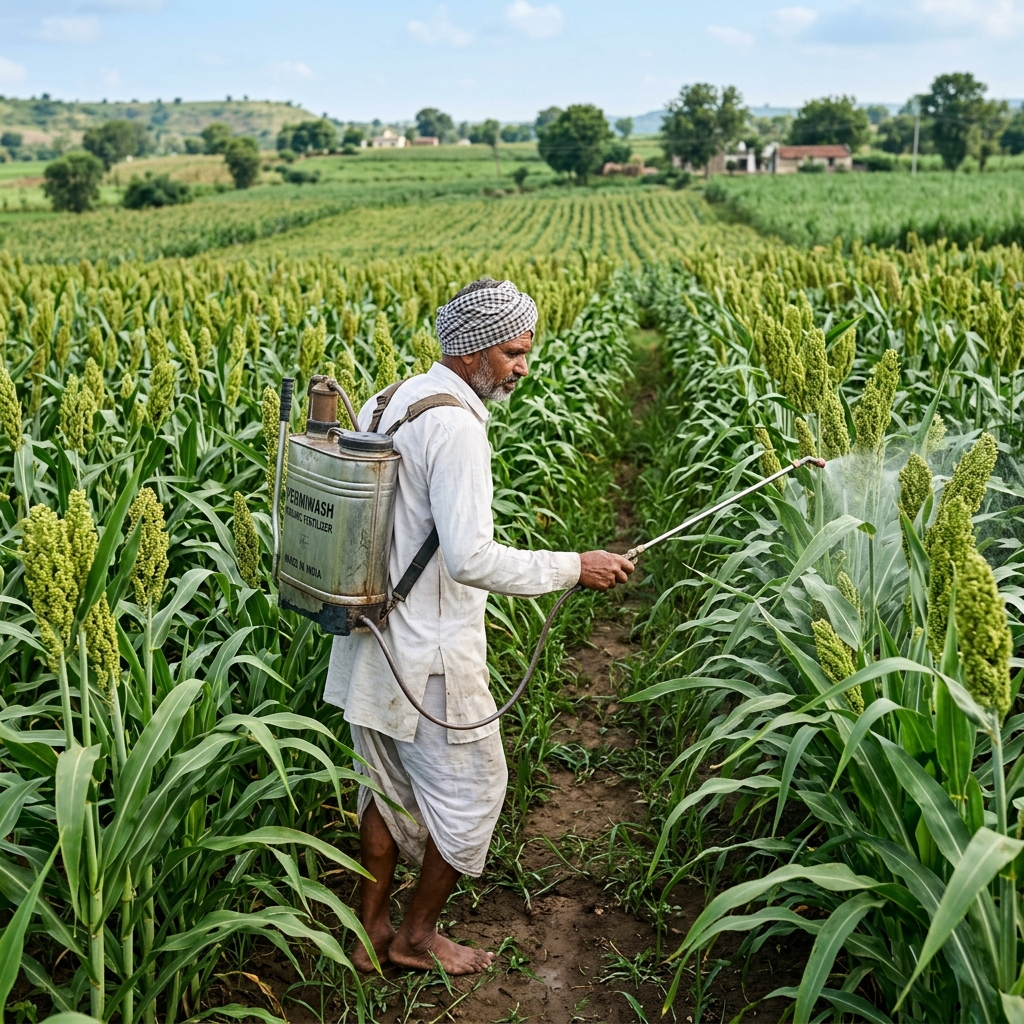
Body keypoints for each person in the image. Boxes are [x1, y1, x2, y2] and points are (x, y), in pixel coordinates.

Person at [323, 277, 634, 975]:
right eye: (512, 353)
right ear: (470, 351)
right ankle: (416, 936)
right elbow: (470, 558)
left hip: (369, 638)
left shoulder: (390, 399)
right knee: (473, 794)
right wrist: (573, 567)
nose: (523, 367)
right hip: (429, 656)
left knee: (382, 789)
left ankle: (369, 933)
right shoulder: (458, 428)